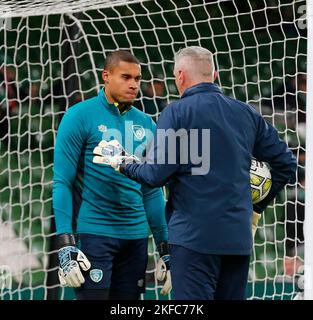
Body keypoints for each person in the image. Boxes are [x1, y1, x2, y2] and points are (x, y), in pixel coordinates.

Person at [94, 46, 297, 300]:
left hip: (193, 240)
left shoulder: (176, 112)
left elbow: (154, 176)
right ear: (214, 75)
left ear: (179, 76)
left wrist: (123, 162)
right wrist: (257, 208)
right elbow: (287, 165)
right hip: (237, 241)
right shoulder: (245, 113)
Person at [52, 50, 170, 300]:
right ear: (106, 76)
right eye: (126, 77)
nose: (133, 84)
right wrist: (65, 243)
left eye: (137, 79)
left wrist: (164, 247)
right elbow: (62, 182)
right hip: (94, 235)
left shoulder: (148, 124)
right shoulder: (78, 116)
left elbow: (151, 191)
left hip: (136, 239)